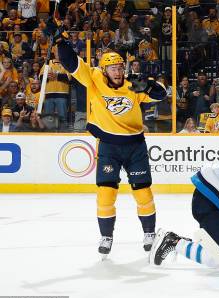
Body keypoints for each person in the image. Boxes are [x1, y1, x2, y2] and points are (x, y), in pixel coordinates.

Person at [54, 23, 167, 257]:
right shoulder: (94, 78)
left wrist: (147, 84)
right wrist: (60, 42)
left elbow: (161, 95)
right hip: (108, 146)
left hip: (135, 145)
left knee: (143, 192)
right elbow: (71, 62)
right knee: (105, 194)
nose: (117, 71)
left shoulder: (132, 84)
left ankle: (149, 232)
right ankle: (106, 236)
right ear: (104, 70)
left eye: (119, 67)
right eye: (113, 68)